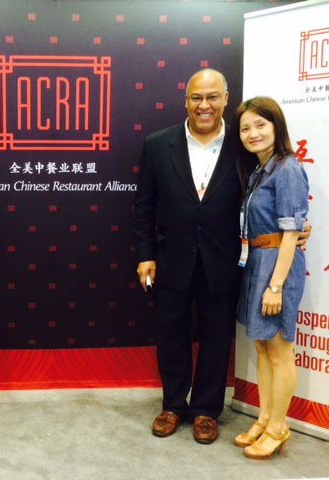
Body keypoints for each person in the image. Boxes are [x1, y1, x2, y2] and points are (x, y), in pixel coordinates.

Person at [132, 69, 310, 445]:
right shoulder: (157, 144)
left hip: (226, 260)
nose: (205, 105)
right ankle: (173, 405)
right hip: (172, 258)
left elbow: (266, 198)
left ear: (226, 99)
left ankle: (206, 411)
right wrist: (145, 254)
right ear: (186, 100)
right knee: (171, 335)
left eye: (213, 97)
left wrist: (295, 229)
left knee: (216, 337)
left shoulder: (243, 146)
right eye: (197, 97)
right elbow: (144, 205)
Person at [231, 97, 308, 460]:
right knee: (263, 346)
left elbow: (292, 233)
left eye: (260, 125)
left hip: (278, 265)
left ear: (277, 126)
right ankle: (264, 418)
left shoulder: (288, 168)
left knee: (279, 350)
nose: (253, 134)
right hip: (257, 260)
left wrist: (276, 286)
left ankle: (279, 427)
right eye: (245, 128)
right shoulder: (260, 171)